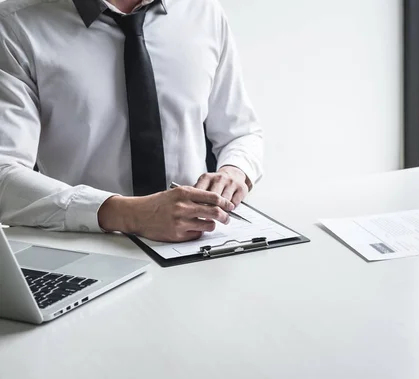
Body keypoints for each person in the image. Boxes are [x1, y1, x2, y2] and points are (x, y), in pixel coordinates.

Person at [0, 0, 263, 243]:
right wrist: (130, 214)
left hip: (199, 243)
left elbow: (241, 132)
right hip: (84, 246)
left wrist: (233, 171)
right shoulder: (15, 23)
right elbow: (4, 172)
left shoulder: (202, 11)